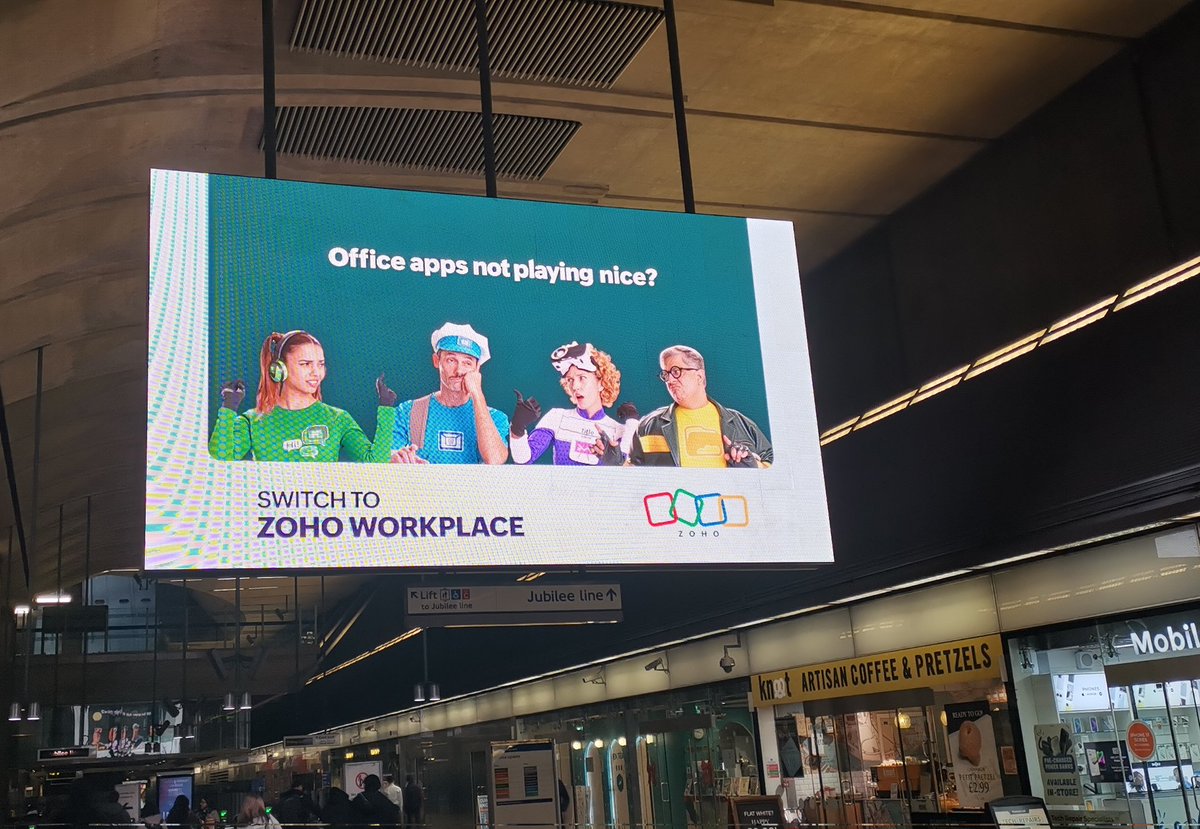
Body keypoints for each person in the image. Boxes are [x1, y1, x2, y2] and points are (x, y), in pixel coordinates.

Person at [210, 330, 396, 462]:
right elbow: (221, 460)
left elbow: (375, 462)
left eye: (321, 364)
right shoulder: (253, 420)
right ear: (279, 368)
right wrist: (228, 409)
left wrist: (386, 409)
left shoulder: (338, 419)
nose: (316, 372)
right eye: (306, 364)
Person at [628, 345, 772, 468]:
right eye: (666, 374)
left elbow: (774, 467)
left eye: (676, 372)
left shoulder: (741, 424)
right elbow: (631, 479)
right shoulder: (648, 426)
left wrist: (752, 465)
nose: (670, 380)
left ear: (699, 376)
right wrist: (611, 458)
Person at [391, 323, 509, 464]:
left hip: (472, 486)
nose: (459, 371)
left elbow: (495, 459)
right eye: (451, 360)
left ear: (477, 368)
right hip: (422, 485)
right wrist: (397, 458)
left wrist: (477, 394)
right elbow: (387, 458)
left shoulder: (496, 418)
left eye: (467, 363)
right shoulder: (407, 412)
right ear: (436, 361)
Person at [509, 341, 639, 466]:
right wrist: (517, 428)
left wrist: (632, 425)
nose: (575, 386)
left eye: (582, 378)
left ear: (601, 383)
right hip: (563, 489)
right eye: (570, 380)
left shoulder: (618, 430)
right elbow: (524, 459)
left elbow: (627, 472)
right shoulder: (557, 417)